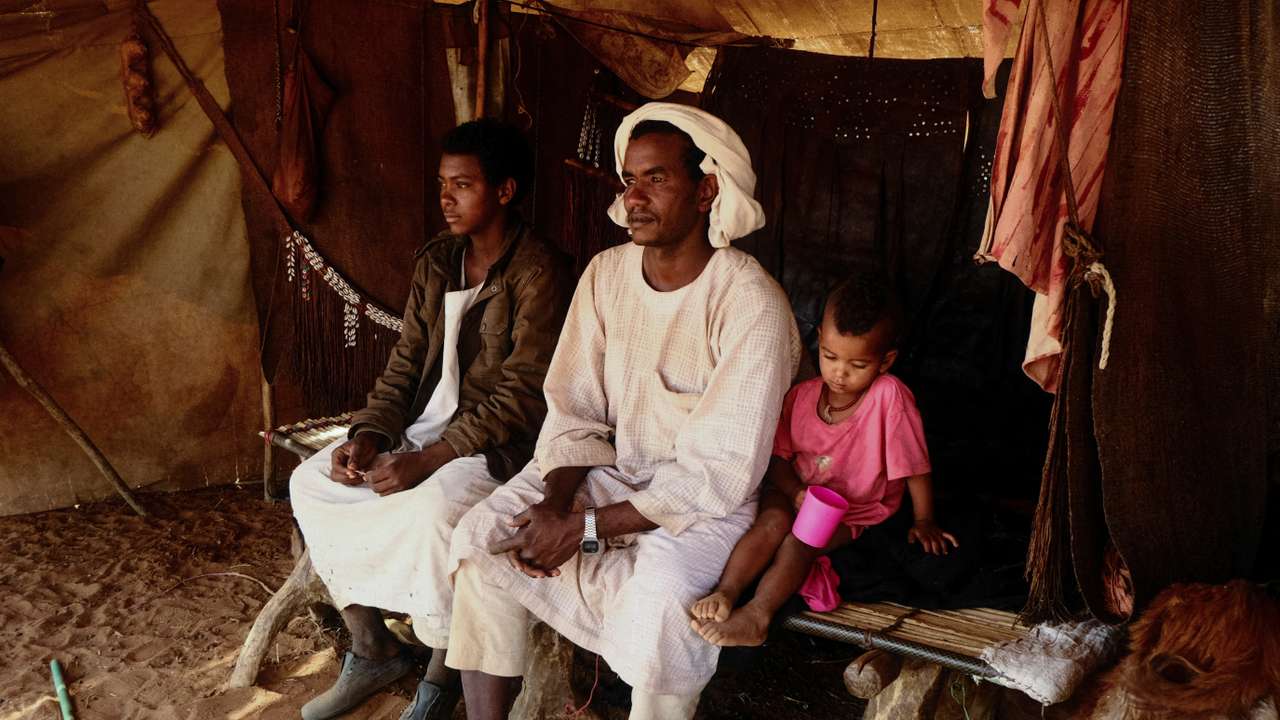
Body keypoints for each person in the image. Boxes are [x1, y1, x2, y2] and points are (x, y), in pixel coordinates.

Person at [442, 103, 801, 720]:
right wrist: (556, 505)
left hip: (705, 507)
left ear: (706, 190)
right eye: (629, 179)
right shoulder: (606, 275)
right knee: (484, 538)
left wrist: (582, 530)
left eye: (656, 179)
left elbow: (719, 473)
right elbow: (574, 410)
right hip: (608, 475)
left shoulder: (749, 302)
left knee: (661, 600)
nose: (634, 197)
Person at [288, 119, 571, 720]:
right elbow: (404, 364)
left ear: (505, 190)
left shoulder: (540, 271)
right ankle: (372, 647)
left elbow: (525, 393)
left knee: (437, 510)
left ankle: (442, 679)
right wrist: (367, 437)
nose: (446, 198)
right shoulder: (438, 261)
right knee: (313, 482)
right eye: (443, 183)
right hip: (423, 434)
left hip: (496, 447)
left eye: (463, 184)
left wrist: (431, 459)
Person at [690, 272, 957, 647]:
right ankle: (727, 593)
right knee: (772, 521)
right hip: (794, 488)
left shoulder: (889, 398)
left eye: (858, 365)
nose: (840, 373)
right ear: (818, 342)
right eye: (830, 357)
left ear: (885, 361)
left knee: (799, 542)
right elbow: (778, 460)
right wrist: (795, 491)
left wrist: (924, 519)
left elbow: (915, 465)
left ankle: (757, 615)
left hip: (853, 509)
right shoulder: (801, 397)